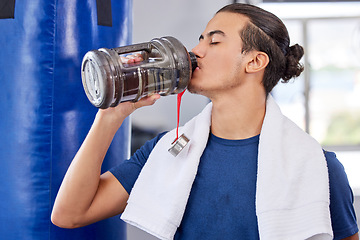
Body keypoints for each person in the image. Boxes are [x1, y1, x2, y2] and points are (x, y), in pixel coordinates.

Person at [51, 3, 359, 240]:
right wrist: (110, 115)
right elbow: (70, 213)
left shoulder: (317, 166)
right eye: (200, 40)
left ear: (254, 61)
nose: (195, 52)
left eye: (214, 42)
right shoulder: (166, 151)